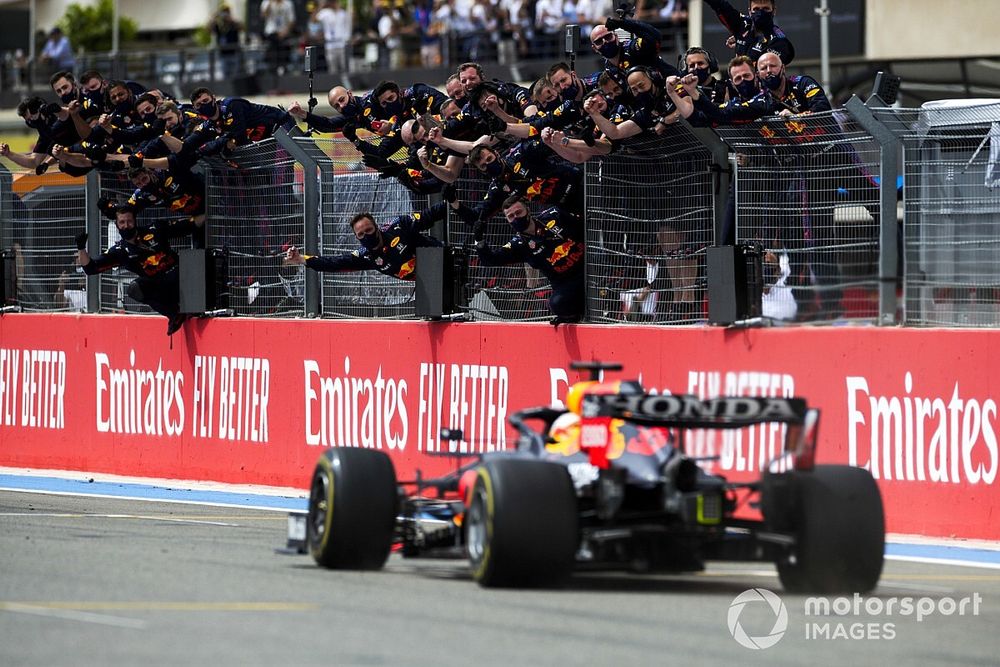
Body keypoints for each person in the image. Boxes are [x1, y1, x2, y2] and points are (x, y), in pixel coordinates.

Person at [283, 195, 475, 280]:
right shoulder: (366, 256)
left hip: (449, 262)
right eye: (361, 234)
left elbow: (430, 215)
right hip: (430, 283)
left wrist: (454, 203)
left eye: (369, 230)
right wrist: (301, 259)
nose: (366, 236)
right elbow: (334, 263)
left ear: (377, 227)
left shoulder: (399, 227)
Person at [472, 194, 586, 325]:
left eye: (518, 212)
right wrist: (479, 239)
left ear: (528, 210)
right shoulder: (518, 245)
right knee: (556, 304)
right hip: (566, 284)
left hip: (588, 267)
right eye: (511, 216)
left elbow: (580, 221)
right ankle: (577, 317)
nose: (516, 218)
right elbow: (490, 260)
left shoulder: (553, 215)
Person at [76, 206, 189, 335]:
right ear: (117, 225)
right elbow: (90, 268)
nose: (126, 226)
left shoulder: (154, 229)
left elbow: (188, 226)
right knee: (134, 288)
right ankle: (175, 314)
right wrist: (81, 247)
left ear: (135, 221)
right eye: (122, 222)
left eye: (129, 221)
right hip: (162, 286)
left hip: (182, 275)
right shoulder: (120, 251)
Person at [702, 0, 794, 65]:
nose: (761, 12)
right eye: (756, 9)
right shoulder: (743, 24)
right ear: (750, 11)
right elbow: (720, 5)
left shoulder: (778, 41)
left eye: (765, 9)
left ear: (774, 11)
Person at [314, 0, 352, 73]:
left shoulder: (342, 13)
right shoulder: (325, 12)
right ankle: (334, 84)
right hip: (330, 45)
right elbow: (314, 21)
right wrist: (321, 6)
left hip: (342, 45)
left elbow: (349, 24)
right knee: (332, 69)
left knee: (344, 68)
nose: (334, 3)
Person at [260, 0, 296, 74]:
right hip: (271, 33)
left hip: (284, 33)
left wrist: (285, 31)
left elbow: (292, 20)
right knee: (272, 55)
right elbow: (264, 15)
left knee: (284, 55)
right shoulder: (266, 2)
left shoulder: (288, 3)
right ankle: (272, 71)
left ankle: (284, 70)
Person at [210, 4, 244, 80]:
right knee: (225, 76)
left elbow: (242, 28)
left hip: (234, 53)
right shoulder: (219, 25)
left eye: (227, 12)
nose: (225, 14)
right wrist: (213, 17)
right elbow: (209, 30)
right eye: (223, 12)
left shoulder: (233, 23)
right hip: (223, 55)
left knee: (236, 76)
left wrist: (231, 19)